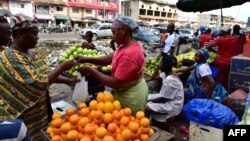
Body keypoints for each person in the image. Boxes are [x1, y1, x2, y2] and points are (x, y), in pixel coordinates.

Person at [0, 14, 78, 140]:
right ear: (20, 34)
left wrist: (70, 80)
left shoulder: (33, 53)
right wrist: (62, 67)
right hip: (23, 116)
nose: (37, 37)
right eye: (33, 34)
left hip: (40, 113)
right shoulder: (9, 57)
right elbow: (38, 82)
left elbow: (47, 74)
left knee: (42, 135)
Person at [75, 16, 148, 115]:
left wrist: (90, 70)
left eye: (114, 32)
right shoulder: (126, 45)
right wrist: (87, 59)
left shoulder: (129, 54)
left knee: (127, 125)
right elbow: (111, 58)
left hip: (130, 97)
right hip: (128, 89)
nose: (112, 37)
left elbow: (115, 83)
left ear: (123, 30)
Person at [146, 55, 184, 131]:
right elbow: (154, 77)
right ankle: (152, 122)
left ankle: (147, 126)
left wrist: (151, 101)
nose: (160, 64)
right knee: (147, 97)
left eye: (161, 63)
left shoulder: (170, 80)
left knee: (147, 106)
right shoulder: (166, 73)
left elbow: (164, 99)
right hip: (168, 98)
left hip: (174, 105)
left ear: (165, 65)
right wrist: (157, 67)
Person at [207, 25, 237, 90]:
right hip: (229, 62)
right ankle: (225, 92)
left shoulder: (220, 39)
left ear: (224, 32)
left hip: (219, 62)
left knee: (218, 78)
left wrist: (215, 51)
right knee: (226, 79)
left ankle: (217, 92)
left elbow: (208, 46)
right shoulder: (235, 39)